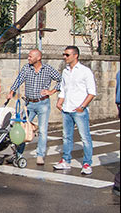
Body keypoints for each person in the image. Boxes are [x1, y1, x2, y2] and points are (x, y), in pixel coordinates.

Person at [7, 49, 62, 165]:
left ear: (38, 58)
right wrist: (11, 91)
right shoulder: (27, 68)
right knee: (21, 129)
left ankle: (40, 155)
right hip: (29, 104)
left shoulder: (48, 69)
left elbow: (62, 80)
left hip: (43, 103)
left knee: (42, 130)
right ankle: (18, 154)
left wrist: (52, 91)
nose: (28, 58)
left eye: (31, 56)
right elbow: (19, 79)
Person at [53, 46, 96, 174]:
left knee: (85, 137)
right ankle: (66, 160)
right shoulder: (66, 71)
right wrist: (60, 101)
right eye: (64, 54)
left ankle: (87, 163)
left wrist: (82, 107)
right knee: (66, 137)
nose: (64, 57)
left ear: (75, 55)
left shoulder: (85, 71)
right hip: (66, 109)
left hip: (79, 110)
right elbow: (64, 89)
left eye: (67, 55)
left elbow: (92, 92)